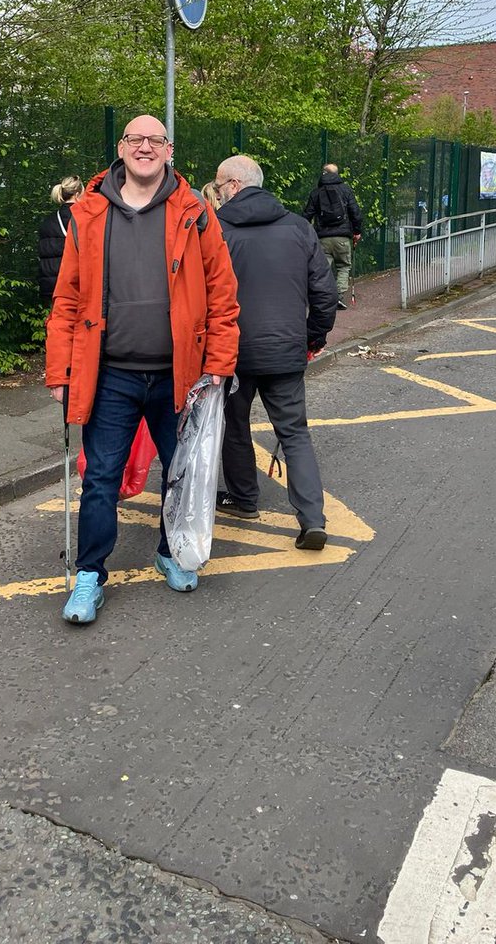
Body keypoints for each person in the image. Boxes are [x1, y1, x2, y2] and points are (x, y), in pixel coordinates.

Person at [45, 115, 239, 624]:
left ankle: (170, 552)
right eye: (136, 139)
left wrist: (218, 361)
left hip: (182, 375)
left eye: (155, 140)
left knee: (180, 473)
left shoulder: (195, 212)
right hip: (110, 374)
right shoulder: (88, 212)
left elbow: (222, 292)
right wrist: (60, 371)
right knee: (102, 476)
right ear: (121, 148)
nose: (145, 147)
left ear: (169, 150)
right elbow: (66, 299)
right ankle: (89, 575)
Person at [213, 155, 337, 549]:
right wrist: (311, 339)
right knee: (295, 433)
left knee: (234, 427)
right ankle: (312, 519)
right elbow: (325, 294)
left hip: (231, 351)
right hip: (285, 348)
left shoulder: (215, 231)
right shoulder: (299, 228)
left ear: (233, 185)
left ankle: (244, 499)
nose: (216, 196)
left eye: (218, 188)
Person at [302, 163, 363, 309]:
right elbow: (355, 212)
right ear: (337, 173)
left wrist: (307, 234)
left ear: (323, 173)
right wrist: (357, 231)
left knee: (323, 269)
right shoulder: (345, 190)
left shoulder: (316, 193)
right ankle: (338, 296)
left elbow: (306, 215)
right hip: (342, 237)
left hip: (322, 238)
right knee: (343, 266)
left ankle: (321, 298)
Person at [38, 175, 84, 301]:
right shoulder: (84, 219)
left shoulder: (47, 222)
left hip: (52, 288)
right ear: (77, 194)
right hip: (76, 286)